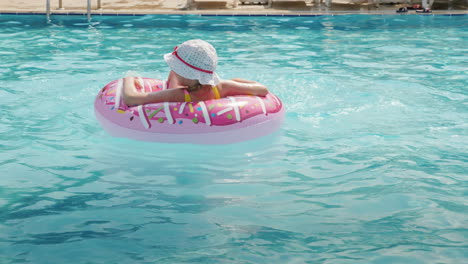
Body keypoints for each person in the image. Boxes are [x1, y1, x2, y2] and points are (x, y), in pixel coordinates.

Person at [122, 39, 268, 107]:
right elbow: (262, 89)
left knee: (172, 78)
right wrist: (236, 82)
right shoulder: (224, 86)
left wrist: (128, 78)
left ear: (186, 73)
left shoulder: (178, 94)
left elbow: (131, 98)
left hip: (180, 97)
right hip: (214, 91)